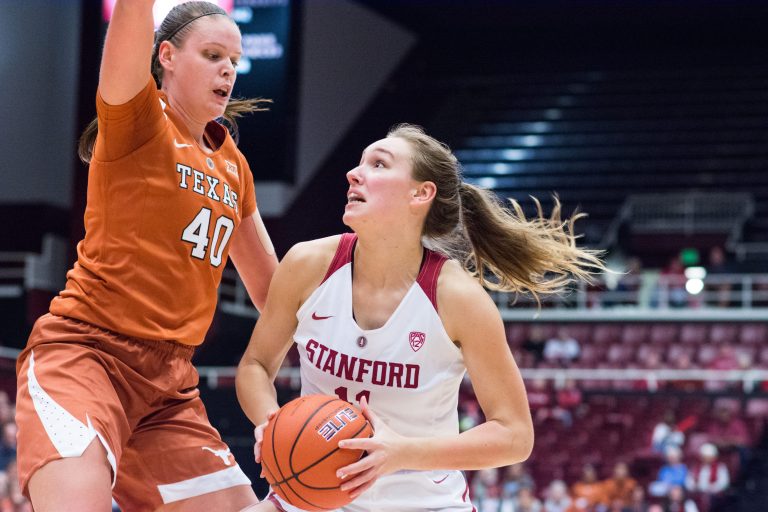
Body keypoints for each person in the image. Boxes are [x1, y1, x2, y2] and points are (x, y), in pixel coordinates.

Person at [236, 124, 604, 511]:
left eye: (378, 165)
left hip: (423, 502)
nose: (353, 173)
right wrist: (273, 423)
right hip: (313, 497)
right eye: (360, 163)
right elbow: (255, 365)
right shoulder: (307, 264)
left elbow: (514, 435)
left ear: (421, 193)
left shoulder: (458, 298)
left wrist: (402, 453)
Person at [15, 2, 279, 510]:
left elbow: (272, 293)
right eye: (212, 54)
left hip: (170, 385)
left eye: (235, 60)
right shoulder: (139, 117)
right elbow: (131, 19)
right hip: (87, 355)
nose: (228, 69)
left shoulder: (232, 164)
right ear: (167, 56)